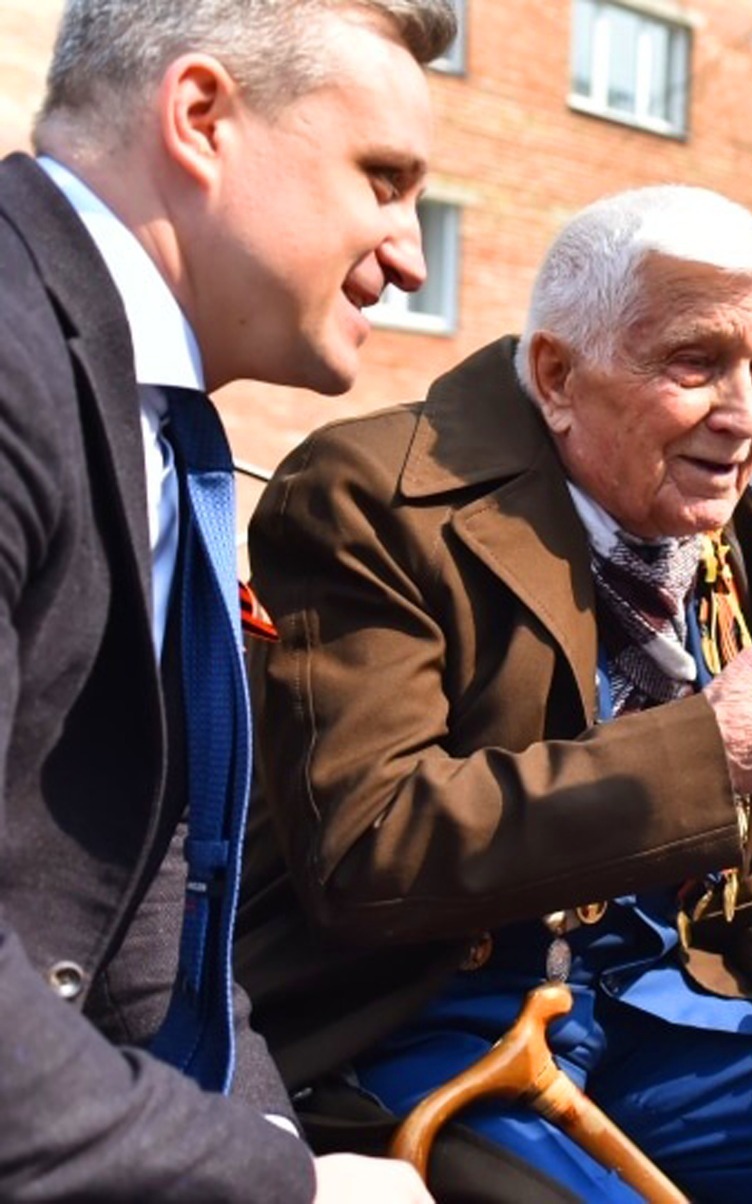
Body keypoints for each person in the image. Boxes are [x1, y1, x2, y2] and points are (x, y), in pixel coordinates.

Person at [236, 184, 752, 1203]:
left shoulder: (727, 523)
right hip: (420, 1010)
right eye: (697, 363)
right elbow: (369, 845)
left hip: (651, 998)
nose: (747, 416)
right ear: (557, 373)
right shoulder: (368, 494)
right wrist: (705, 752)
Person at [0, 1, 458, 1201]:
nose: (410, 256)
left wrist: (272, 1152)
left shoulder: (148, 413)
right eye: (383, 179)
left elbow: (145, 899)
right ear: (201, 117)